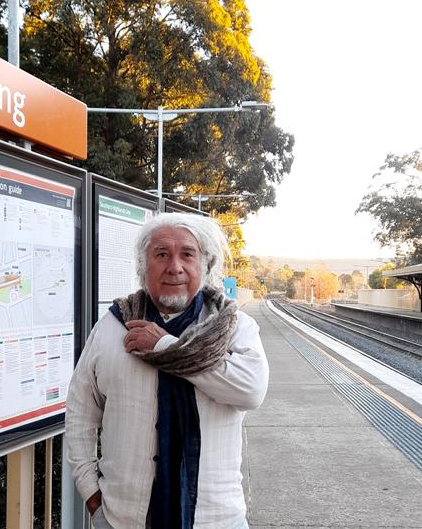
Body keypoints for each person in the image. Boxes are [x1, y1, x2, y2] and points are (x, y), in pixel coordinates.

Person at [65, 212, 269, 529]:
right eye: (161, 254)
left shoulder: (233, 327)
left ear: (205, 264)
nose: (174, 266)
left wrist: (165, 347)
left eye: (187, 254)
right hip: (122, 518)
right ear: (142, 266)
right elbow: (81, 410)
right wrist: (91, 493)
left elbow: (251, 391)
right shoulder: (113, 326)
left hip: (215, 520)